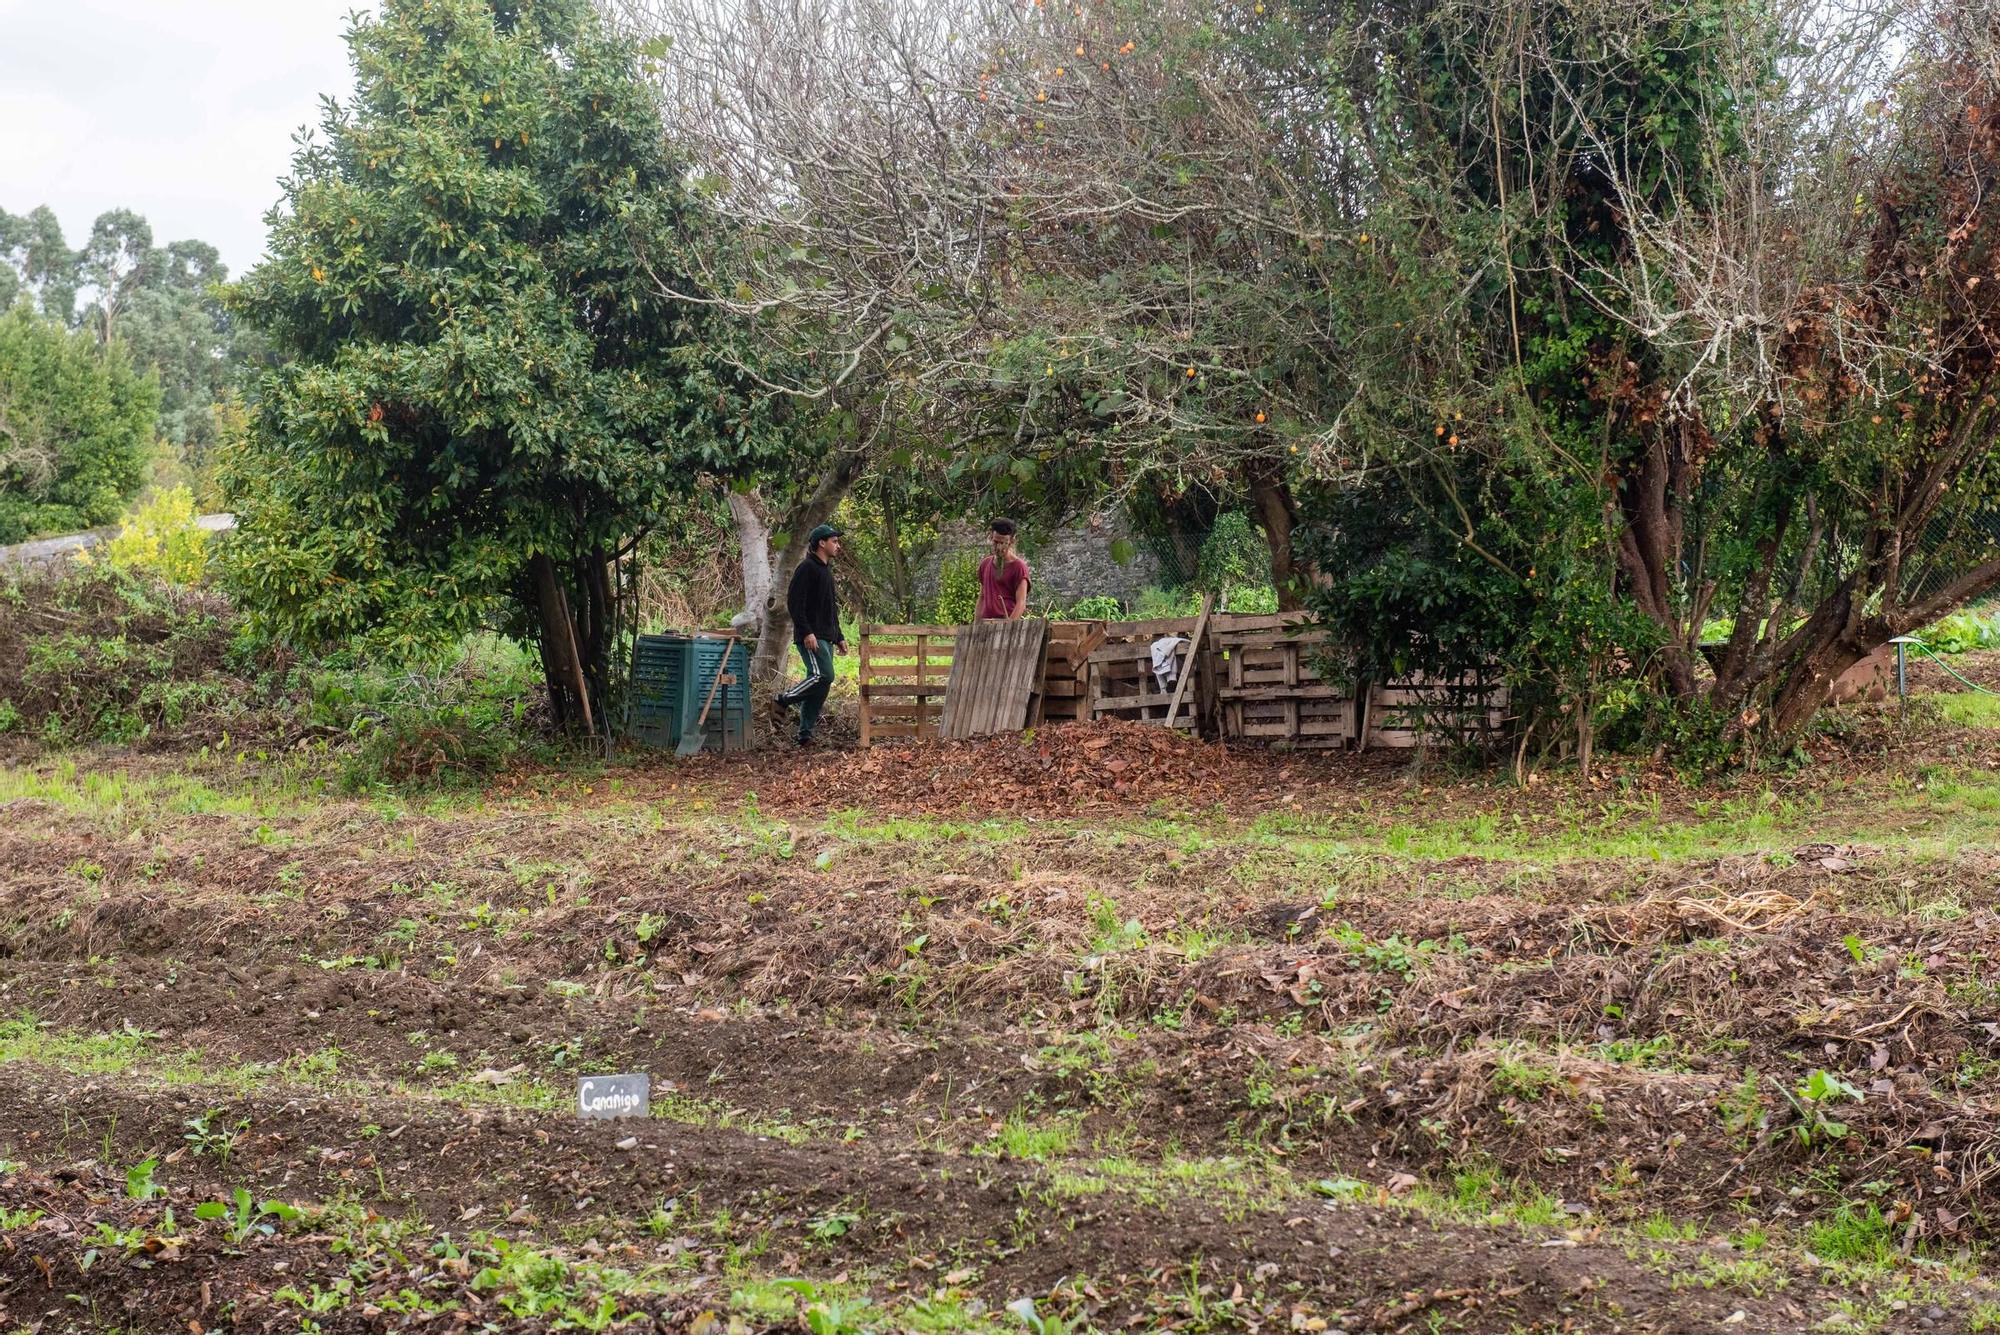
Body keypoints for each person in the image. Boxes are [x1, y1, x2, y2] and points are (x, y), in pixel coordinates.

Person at [775, 523, 846, 745]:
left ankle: (805, 735)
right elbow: (795, 603)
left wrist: (839, 636)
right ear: (821, 543)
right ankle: (782, 699)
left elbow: (830, 609)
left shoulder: (826, 571)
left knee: (820, 687)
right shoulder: (806, 568)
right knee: (823, 675)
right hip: (811, 637)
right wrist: (806, 632)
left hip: (826, 636)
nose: (838, 546)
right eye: (834, 541)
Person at [976, 518, 1032, 621]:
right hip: (986, 625)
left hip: (1006, 623)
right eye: (996, 542)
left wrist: (1008, 627)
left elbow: (1021, 603)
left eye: (1003, 543)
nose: (998, 547)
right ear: (991, 537)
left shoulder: (1019, 567)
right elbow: (982, 597)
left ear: (1012, 541)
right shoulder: (985, 564)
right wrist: (975, 626)